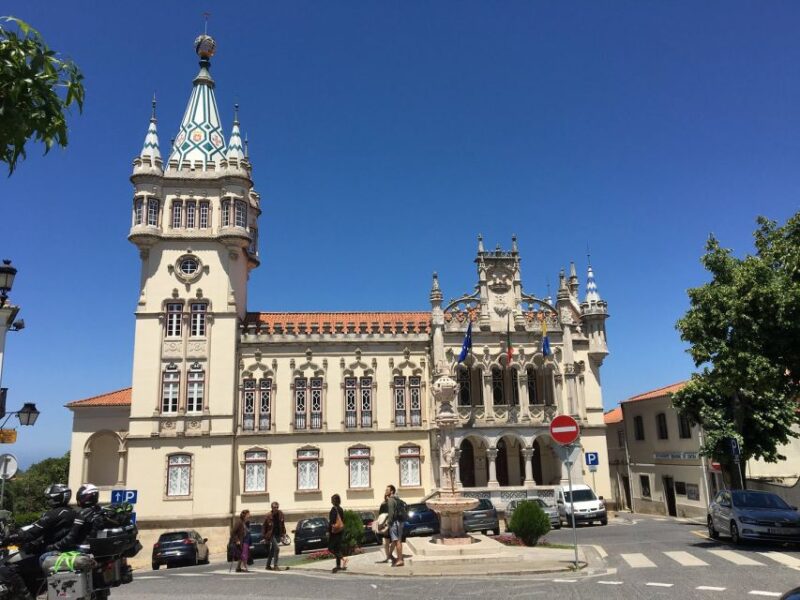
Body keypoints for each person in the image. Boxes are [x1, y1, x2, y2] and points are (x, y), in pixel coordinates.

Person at [262, 501, 286, 571]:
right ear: (272, 508)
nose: (275, 509)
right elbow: (264, 527)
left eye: (277, 507)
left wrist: (284, 534)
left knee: (272, 550)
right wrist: (264, 537)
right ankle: (275, 566)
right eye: (274, 507)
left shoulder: (281, 514)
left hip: (278, 534)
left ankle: (268, 565)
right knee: (277, 549)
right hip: (271, 534)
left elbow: (282, 524)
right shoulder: (268, 516)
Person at [385, 484, 404, 567]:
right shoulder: (397, 499)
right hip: (400, 522)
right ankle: (399, 558)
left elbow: (391, 513)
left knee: (397, 541)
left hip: (394, 523)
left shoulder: (390, 500)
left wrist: (388, 524)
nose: (386, 491)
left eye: (387, 490)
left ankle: (400, 560)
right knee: (398, 541)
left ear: (391, 491)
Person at [328, 494, 347, 573]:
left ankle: (343, 559)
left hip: (334, 531)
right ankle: (338, 565)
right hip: (340, 530)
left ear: (334, 501)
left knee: (331, 548)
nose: (331, 501)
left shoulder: (333, 509)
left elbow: (332, 521)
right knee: (337, 548)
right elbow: (342, 519)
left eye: (332, 499)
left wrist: (328, 530)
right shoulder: (341, 509)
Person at [375, 491, 393, 564]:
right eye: (385, 496)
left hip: (391, 524)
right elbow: (380, 516)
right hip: (385, 525)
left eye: (388, 495)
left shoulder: (392, 504)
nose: (386, 497)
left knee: (394, 541)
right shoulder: (383, 505)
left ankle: (390, 555)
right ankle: (388, 557)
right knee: (386, 542)